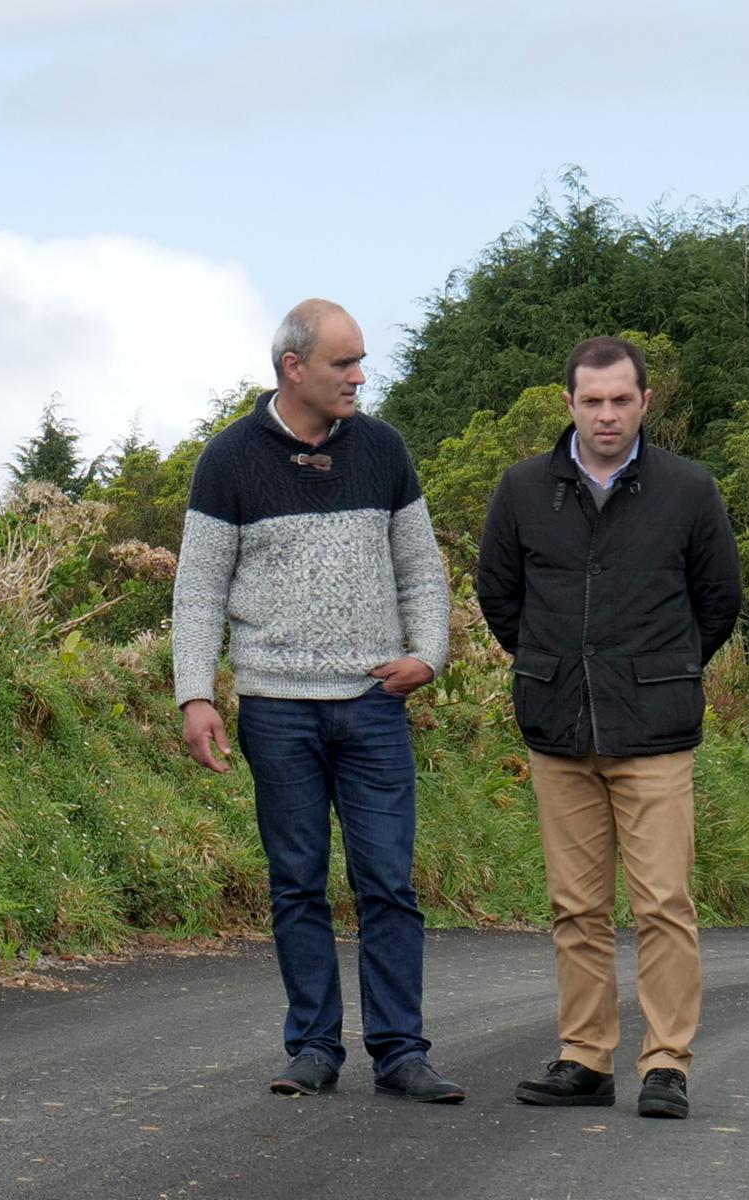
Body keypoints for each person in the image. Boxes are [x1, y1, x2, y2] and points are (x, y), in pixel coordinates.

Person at [172, 298, 462, 1102]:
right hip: (276, 706)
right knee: (296, 880)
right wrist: (197, 694)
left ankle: (402, 1052)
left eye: (361, 361)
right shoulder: (228, 459)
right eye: (345, 363)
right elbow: (198, 592)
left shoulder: (383, 449)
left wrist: (428, 656)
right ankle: (312, 1048)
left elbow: (420, 567)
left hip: (373, 701)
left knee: (388, 882)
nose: (360, 377)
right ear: (293, 367)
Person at [475, 335, 741, 1119]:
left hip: (655, 729)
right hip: (558, 727)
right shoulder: (523, 488)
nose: (607, 414)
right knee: (576, 906)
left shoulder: (690, 489)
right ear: (568, 404)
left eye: (621, 399)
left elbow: (717, 601)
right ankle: (585, 1058)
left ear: (645, 403)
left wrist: (659, 669)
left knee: (663, 902)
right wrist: (556, 665)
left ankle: (666, 1064)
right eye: (592, 400)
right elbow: (500, 598)